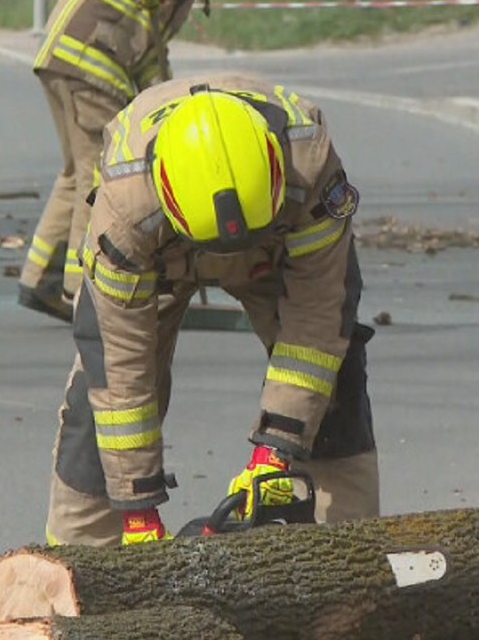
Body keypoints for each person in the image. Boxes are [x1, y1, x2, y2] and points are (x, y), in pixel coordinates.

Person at [44, 74, 379, 546]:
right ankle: (73, 572)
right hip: (160, 258)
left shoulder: (312, 168)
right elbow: (121, 370)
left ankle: (350, 555)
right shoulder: (124, 216)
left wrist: (276, 451)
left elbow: (318, 320)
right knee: (98, 411)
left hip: (275, 248)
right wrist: (138, 509)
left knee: (334, 380)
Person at [18, 0, 209, 322]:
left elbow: (146, 45)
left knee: (77, 174)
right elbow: (150, 47)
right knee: (100, 180)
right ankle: (82, 292)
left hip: (60, 60)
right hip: (90, 70)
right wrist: (165, 106)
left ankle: (41, 277)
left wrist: (163, 101)